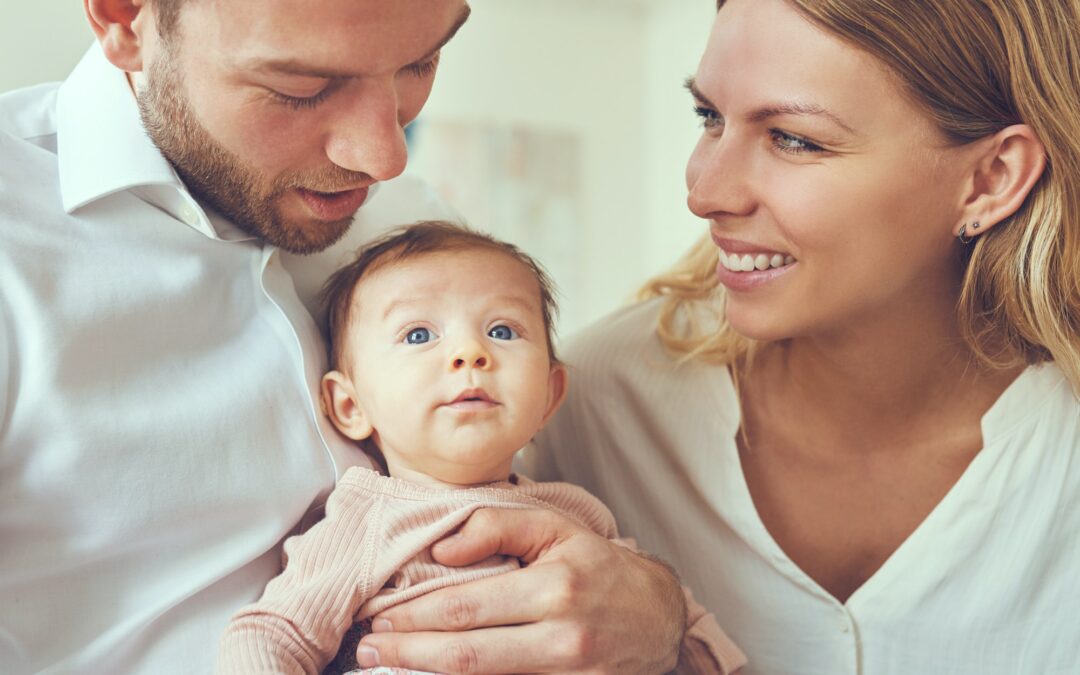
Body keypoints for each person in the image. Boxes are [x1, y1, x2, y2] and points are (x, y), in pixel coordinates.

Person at [0, 1, 688, 673]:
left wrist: (656, 617)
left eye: (422, 62)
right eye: (301, 88)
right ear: (124, 18)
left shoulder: (415, 225)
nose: (384, 157)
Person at [528, 0, 1080, 673]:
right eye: (710, 118)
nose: (705, 191)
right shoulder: (590, 402)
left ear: (990, 179)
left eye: (794, 138)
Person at [213, 222, 745, 675]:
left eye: (502, 330)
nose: (470, 352)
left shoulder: (576, 514)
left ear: (548, 396)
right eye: (419, 335)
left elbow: (677, 622)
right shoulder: (366, 520)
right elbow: (273, 633)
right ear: (350, 406)